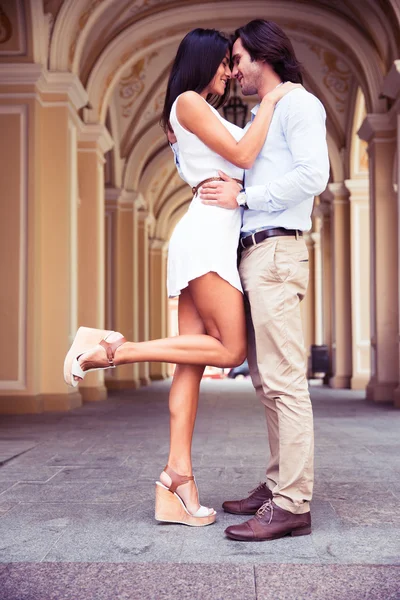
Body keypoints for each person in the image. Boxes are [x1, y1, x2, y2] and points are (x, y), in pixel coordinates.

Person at [63, 28, 296, 528]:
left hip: (206, 232)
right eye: (223, 63)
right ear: (204, 60)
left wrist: (240, 176)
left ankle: (177, 478)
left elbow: (237, 166)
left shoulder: (193, 109)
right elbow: (244, 156)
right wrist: (273, 103)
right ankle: (114, 350)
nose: (229, 73)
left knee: (188, 366)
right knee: (230, 351)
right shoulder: (189, 102)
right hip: (209, 238)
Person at [198, 19, 330, 541]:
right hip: (256, 254)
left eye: (237, 58)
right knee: (264, 380)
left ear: (262, 54)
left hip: (276, 250)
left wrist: (245, 197)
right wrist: (240, 183)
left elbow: (312, 175)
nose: (233, 70)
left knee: (285, 382)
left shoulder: (298, 104)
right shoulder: (263, 111)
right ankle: (279, 484)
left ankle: (293, 502)